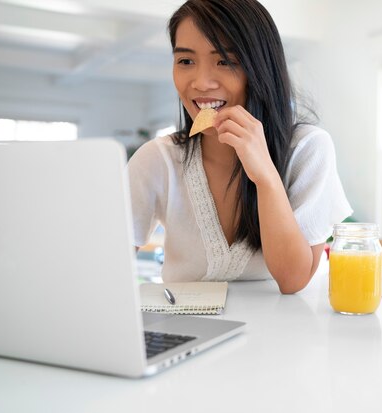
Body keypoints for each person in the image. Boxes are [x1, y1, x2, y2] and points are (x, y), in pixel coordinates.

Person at [128, 0, 351, 294]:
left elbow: (293, 280)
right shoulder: (158, 158)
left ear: (259, 68)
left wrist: (267, 178)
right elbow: (104, 264)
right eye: (185, 61)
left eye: (225, 61)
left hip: (286, 335)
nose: (201, 82)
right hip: (187, 333)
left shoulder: (308, 148)